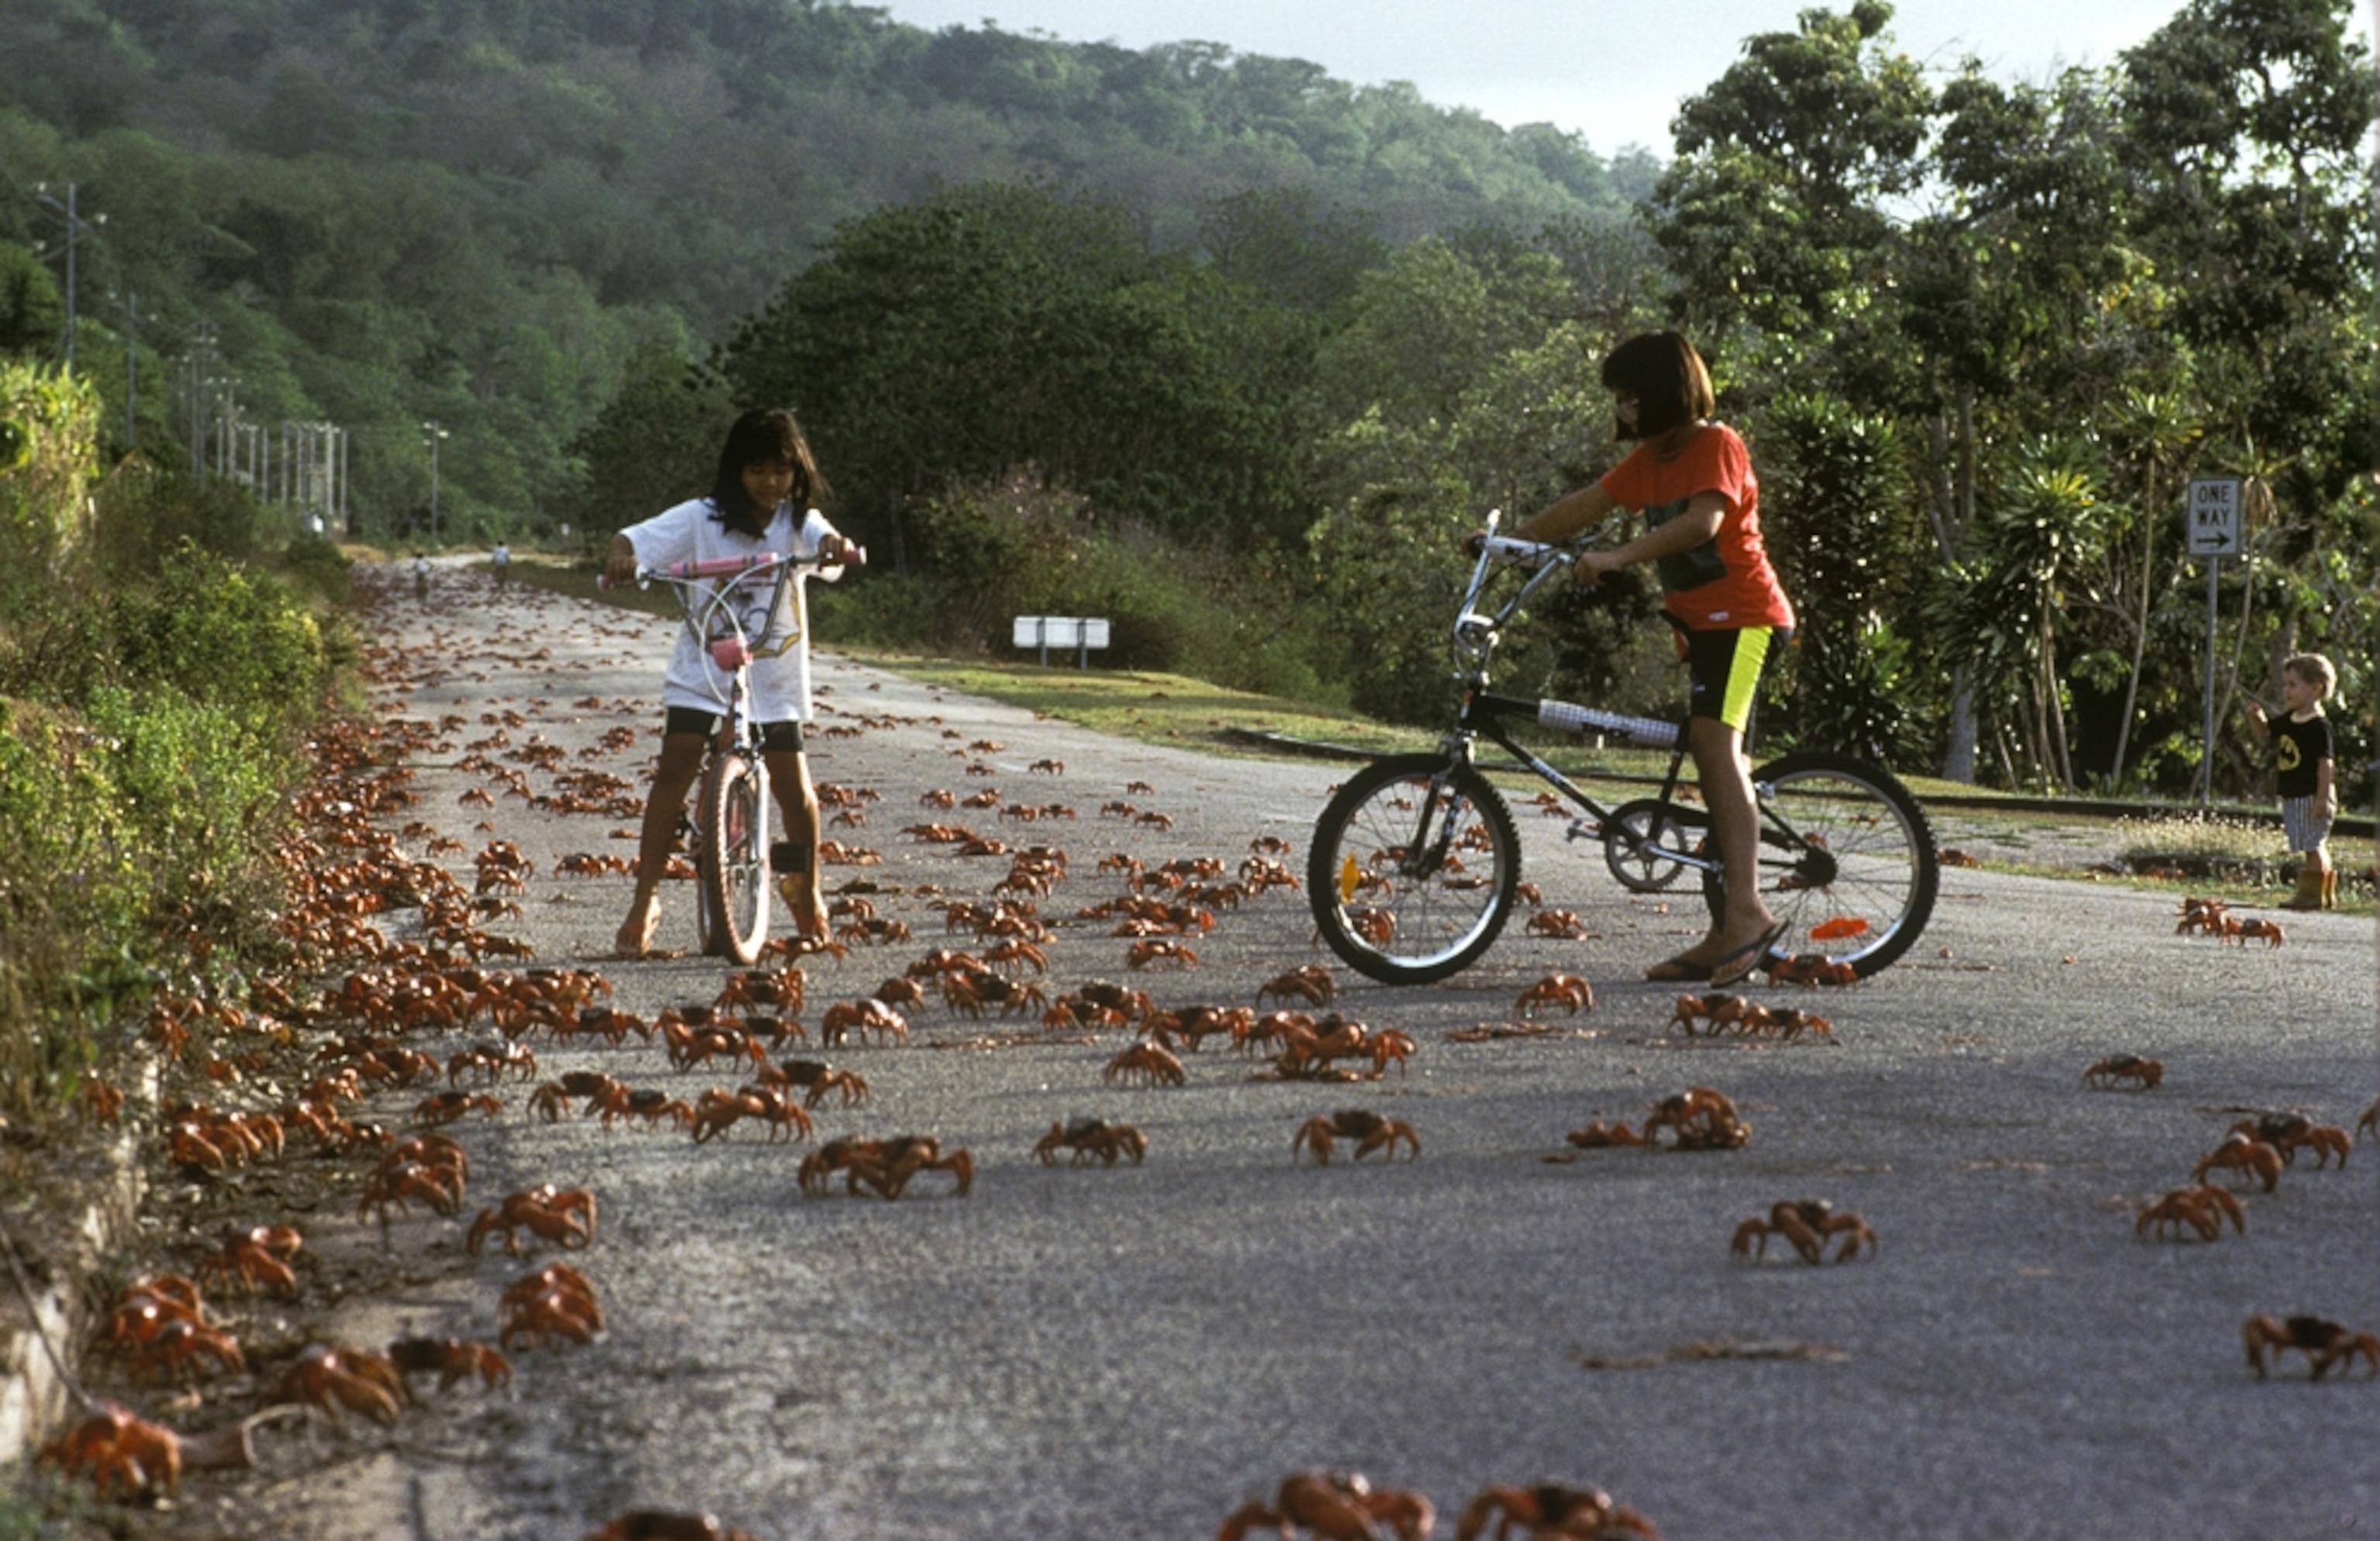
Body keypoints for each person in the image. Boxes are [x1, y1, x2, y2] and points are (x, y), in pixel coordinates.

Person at [1498, 330, 1796, 986]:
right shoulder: (1649, 458)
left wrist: (1615, 558)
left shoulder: (1716, 443)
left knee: (1716, 746)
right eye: (1620, 401)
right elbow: (1584, 505)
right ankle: (1722, 933)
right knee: (1710, 752)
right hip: (1701, 625)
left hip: (1746, 618)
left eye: (1634, 398)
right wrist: (1507, 543)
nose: (1626, 412)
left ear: (1666, 393)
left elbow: (1702, 524)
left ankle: (1748, 913)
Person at [602, 408, 858, 958]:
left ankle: (802, 884)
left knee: (795, 790)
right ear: (734, 471)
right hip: (704, 668)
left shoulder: (798, 521)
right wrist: (623, 555)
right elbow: (634, 537)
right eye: (756, 470)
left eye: (781, 471)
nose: (770, 483)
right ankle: (644, 899)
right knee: (675, 766)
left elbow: (830, 542)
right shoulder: (702, 519)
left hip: (772, 674)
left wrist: (836, 547)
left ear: (797, 472)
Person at [2244, 652, 2337, 910]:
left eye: (2293, 685)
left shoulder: (2318, 726)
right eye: (2285, 685)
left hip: (2312, 793)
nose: (2287, 691)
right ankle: (2321, 893)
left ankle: (2313, 894)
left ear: (2316, 688)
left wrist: (2322, 798)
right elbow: (2267, 734)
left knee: (2313, 844)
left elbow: (2325, 764)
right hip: (2294, 792)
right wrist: (2257, 719)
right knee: (2308, 843)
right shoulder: (2291, 719)